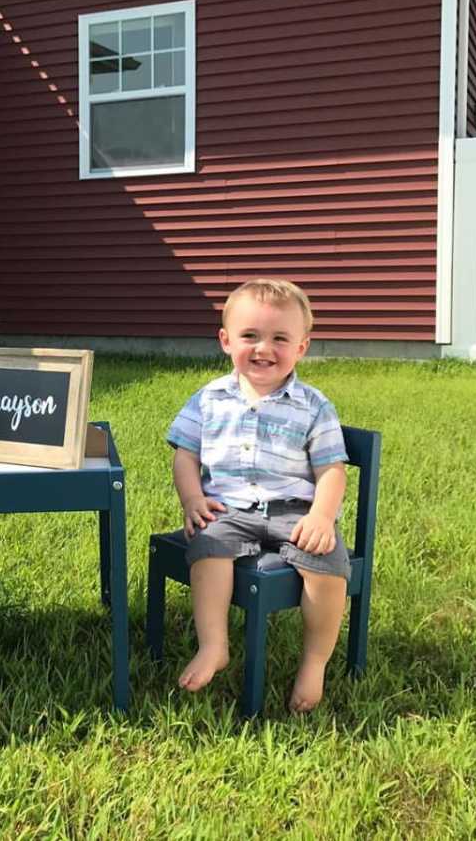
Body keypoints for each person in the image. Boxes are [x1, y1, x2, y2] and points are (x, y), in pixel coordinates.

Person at [166, 278, 350, 712]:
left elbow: (332, 470)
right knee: (209, 548)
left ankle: (314, 662)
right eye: (250, 336)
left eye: (279, 338)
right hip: (228, 508)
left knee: (326, 570)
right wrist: (192, 499)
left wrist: (323, 518)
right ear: (226, 341)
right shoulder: (209, 398)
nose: (263, 348)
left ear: (301, 347)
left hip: (296, 512)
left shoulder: (313, 405)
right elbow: (185, 457)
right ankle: (214, 645)